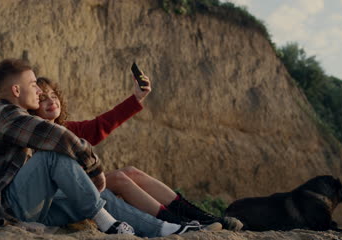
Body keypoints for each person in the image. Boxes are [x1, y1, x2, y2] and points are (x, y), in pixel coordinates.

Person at [0, 58, 216, 238]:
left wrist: (135, 100)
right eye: (35, 87)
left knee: (103, 188)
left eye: (50, 93)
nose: (41, 92)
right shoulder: (7, 115)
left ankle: (167, 227)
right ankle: (113, 223)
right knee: (54, 157)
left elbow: (94, 128)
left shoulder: (25, 122)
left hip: (26, 209)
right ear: (16, 90)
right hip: (0, 210)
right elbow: (60, 140)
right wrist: (94, 171)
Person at [33, 75, 242, 231]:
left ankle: (204, 217)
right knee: (119, 179)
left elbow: (100, 126)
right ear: (33, 106)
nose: (51, 101)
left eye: (53, 95)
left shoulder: (68, 128)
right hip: (60, 198)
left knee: (131, 172)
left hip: (80, 189)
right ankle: (179, 224)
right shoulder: (31, 132)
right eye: (43, 99)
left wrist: (136, 98)